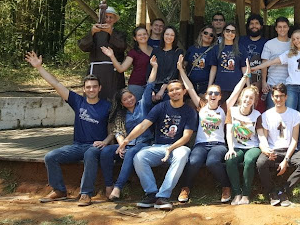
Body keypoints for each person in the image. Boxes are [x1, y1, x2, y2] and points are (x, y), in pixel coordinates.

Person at [25, 51, 111, 206]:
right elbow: (56, 84)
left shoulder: (107, 106)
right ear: (84, 89)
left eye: (94, 87)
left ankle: (85, 194)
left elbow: (114, 129)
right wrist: (39, 67)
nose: (91, 90)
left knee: (91, 154)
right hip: (77, 145)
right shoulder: (78, 101)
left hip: (95, 146)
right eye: (88, 87)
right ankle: (59, 190)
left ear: (100, 88)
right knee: (50, 156)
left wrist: (105, 141)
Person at [118, 74, 197, 210]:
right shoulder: (160, 107)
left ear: (184, 91)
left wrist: (170, 149)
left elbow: (186, 137)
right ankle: (151, 194)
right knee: (139, 157)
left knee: (183, 153)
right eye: (171, 90)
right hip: (158, 147)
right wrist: (126, 140)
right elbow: (143, 125)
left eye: (178, 89)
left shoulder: (190, 112)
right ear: (168, 93)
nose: (174, 92)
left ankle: (163, 196)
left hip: (177, 148)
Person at [99, 55, 159, 200]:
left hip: (144, 143)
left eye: (130, 97)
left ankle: (118, 187)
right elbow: (118, 131)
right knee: (106, 151)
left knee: (131, 152)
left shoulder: (143, 104)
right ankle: (109, 185)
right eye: (125, 99)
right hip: (126, 144)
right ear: (122, 103)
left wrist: (154, 67)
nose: (129, 100)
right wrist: (121, 145)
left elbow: (149, 84)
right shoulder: (121, 114)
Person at [177, 57, 233, 204]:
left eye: (216, 93)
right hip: (201, 144)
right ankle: (185, 188)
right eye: (210, 93)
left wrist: (246, 76)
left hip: (218, 145)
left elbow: (237, 91)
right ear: (206, 96)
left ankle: (226, 186)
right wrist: (181, 70)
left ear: (220, 96)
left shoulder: (224, 108)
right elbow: (189, 88)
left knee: (212, 162)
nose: (213, 95)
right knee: (194, 161)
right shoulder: (201, 105)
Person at [256, 84, 300, 207]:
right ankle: (271, 192)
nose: (279, 99)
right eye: (276, 96)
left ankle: (284, 190)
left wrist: (286, 160)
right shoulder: (266, 115)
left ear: (286, 97)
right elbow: (264, 138)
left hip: (289, 150)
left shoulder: (295, 114)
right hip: (273, 150)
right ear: (272, 97)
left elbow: (294, 140)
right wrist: (266, 151)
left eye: (281, 96)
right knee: (260, 163)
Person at [223, 63, 262, 205]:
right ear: (241, 98)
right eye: (245, 97)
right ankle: (236, 193)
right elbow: (229, 131)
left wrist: (264, 147)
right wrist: (231, 148)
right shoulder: (232, 111)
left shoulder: (257, 115)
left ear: (254, 101)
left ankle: (246, 194)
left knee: (249, 161)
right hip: (237, 146)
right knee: (230, 160)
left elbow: (260, 135)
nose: (247, 100)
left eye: (251, 98)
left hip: (253, 146)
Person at [78, 6, 126, 102]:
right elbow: (83, 46)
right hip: (96, 70)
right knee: (95, 95)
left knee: (114, 98)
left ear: (115, 20)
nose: (108, 19)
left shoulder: (119, 33)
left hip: (114, 72)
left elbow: (121, 47)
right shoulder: (94, 32)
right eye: (106, 17)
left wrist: (110, 33)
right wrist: (92, 33)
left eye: (111, 17)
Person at [101, 26, 152, 101]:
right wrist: (112, 56)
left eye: (144, 34)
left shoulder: (154, 50)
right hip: (136, 85)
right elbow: (121, 69)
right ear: (135, 38)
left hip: (151, 84)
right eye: (139, 35)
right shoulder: (133, 53)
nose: (143, 36)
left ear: (148, 35)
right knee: (136, 109)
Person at [209, 23, 248, 102]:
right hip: (220, 88)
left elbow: (245, 69)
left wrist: (248, 86)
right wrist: (209, 86)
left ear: (235, 34)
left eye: (233, 31)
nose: (230, 33)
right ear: (223, 32)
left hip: (237, 87)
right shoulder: (216, 49)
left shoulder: (241, 48)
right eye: (228, 31)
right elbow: (213, 69)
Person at [261, 17, 291, 109]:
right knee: (272, 114)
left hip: (290, 85)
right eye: (280, 27)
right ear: (276, 29)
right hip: (272, 84)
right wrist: (263, 82)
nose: (282, 29)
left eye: (284, 27)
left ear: (288, 28)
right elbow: (264, 64)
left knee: (288, 115)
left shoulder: (294, 43)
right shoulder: (269, 44)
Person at [149, 26, 184, 103]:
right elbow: (150, 70)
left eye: (172, 35)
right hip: (153, 87)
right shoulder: (156, 51)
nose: (169, 37)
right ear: (163, 35)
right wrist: (151, 91)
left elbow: (174, 72)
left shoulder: (178, 52)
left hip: (169, 88)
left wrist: (162, 90)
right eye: (167, 34)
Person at [239, 14, 267, 91]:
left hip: (258, 81)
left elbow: (267, 65)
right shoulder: (241, 41)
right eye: (251, 23)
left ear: (261, 26)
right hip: (240, 80)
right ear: (248, 26)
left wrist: (261, 82)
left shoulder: (266, 43)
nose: (254, 26)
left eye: (257, 23)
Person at [184, 25, 216, 94]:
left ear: (213, 38)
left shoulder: (214, 50)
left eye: (211, 35)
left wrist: (209, 87)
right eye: (206, 33)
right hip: (190, 84)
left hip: (205, 85)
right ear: (201, 33)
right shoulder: (192, 49)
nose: (208, 36)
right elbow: (184, 66)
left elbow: (213, 69)